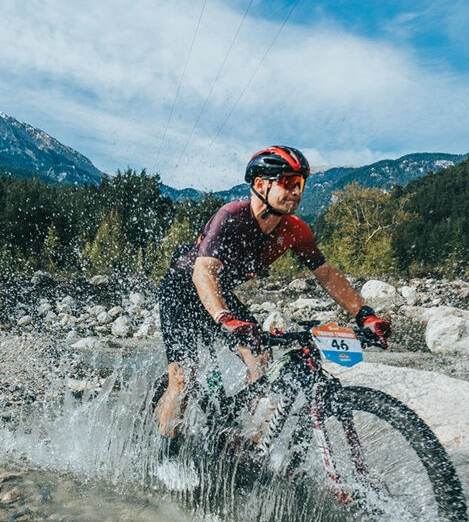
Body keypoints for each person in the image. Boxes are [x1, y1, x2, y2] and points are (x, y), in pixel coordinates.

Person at [154, 145, 392, 462]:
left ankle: (245, 447)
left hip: (218, 295)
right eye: (288, 182)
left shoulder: (295, 230)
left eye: (300, 184)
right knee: (184, 377)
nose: (296, 192)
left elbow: (327, 274)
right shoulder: (231, 216)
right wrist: (224, 317)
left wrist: (365, 314)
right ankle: (163, 459)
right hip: (182, 291)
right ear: (261, 184)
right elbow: (203, 272)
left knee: (261, 358)